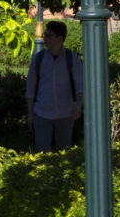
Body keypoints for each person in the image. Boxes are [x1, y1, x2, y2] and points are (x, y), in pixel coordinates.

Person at [26, 21, 83, 150]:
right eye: (45, 35)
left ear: (60, 38)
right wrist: (30, 114)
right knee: (42, 153)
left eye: (49, 35)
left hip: (66, 114)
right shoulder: (38, 59)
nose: (45, 38)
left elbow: (80, 86)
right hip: (42, 113)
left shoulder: (72, 59)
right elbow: (30, 88)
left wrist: (78, 107)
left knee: (64, 153)